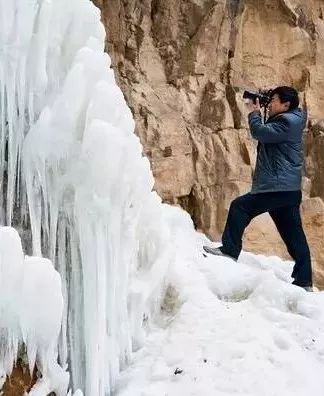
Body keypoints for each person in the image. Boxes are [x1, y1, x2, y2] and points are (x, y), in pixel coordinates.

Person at [203, 86, 313, 291]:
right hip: (287, 190)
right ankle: (304, 280)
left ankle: (229, 250)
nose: (270, 103)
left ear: (286, 105)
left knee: (240, 207)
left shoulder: (286, 122)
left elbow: (260, 132)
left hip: (277, 188)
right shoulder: (293, 118)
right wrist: (264, 105)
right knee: (293, 234)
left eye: (274, 100)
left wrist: (254, 111)